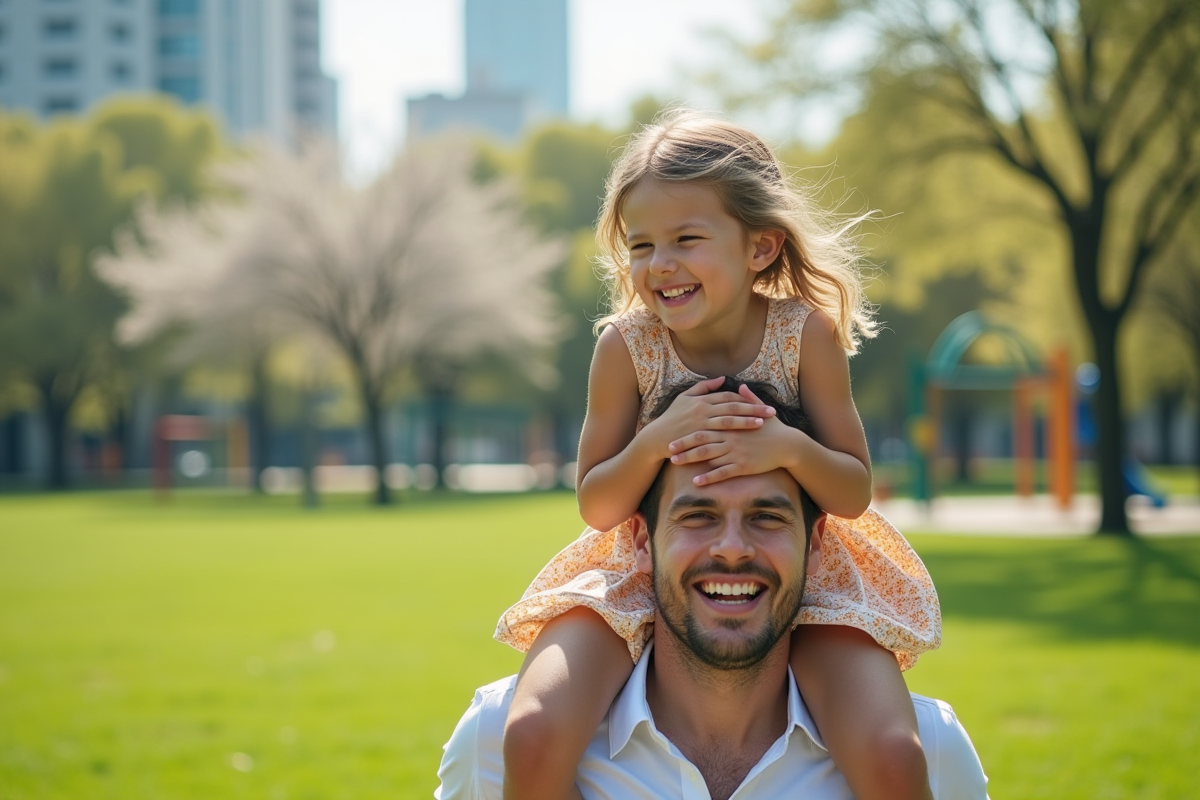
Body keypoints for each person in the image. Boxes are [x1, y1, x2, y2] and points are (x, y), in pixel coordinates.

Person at [496, 110, 941, 800]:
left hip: (801, 575)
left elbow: (852, 492)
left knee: (891, 754)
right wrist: (655, 439)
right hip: (641, 565)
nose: (659, 265)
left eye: (685, 239)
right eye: (640, 246)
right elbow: (598, 504)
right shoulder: (626, 347)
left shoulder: (804, 334)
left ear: (759, 247)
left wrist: (788, 447)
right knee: (532, 733)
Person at [438, 381, 987, 800]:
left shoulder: (929, 753)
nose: (731, 548)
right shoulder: (497, 744)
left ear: (816, 542)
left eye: (766, 517)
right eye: (698, 514)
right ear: (640, 540)